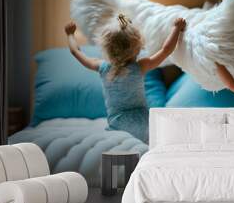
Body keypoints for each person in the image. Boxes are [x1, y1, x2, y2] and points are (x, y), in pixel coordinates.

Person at [65, 14, 186, 142]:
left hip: (117, 126)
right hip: (143, 124)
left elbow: (76, 52)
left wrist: (70, 34)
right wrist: (176, 28)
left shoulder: (101, 67)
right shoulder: (141, 66)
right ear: (138, 47)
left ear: (107, 48)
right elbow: (166, 50)